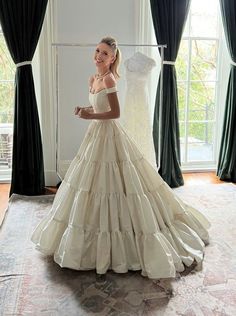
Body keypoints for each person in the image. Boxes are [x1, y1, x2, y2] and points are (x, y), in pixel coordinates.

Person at [31, 36, 210, 279]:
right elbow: (99, 107)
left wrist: (90, 116)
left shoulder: (109, 78)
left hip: (109, 134)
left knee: (118, 184)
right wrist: (85, 110)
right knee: (90, 185)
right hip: (95, 135)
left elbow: (114, 113)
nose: (98, 56)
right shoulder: (93, 79)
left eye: (104, 53)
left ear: (113, 58)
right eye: (97, 51)